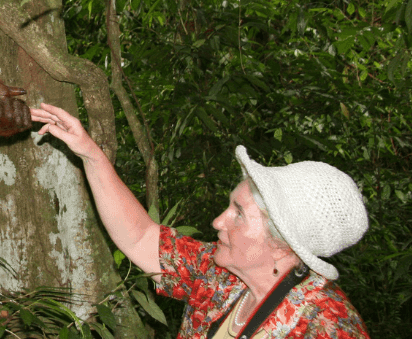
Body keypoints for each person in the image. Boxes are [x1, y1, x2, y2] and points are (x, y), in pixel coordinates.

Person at [31, 103, 370, 339]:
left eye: (238, 213)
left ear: (282, 244)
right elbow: (141, 239)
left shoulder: (327, 325)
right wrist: (89, 152)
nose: (218, 221)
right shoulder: (222, 276)